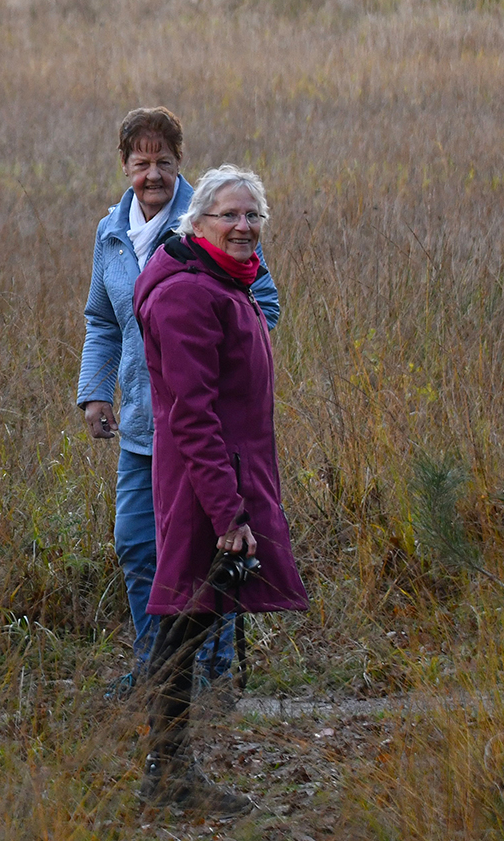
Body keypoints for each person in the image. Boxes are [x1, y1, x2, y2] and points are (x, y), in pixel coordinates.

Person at [78, 109, 280, 697]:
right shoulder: (110, 232)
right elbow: (101, 320)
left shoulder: (214, 219)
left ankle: (210, 677)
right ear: (124, 166)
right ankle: (157, 669)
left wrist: (219, 361)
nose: (153, 174)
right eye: (141, 163)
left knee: (208, 559)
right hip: (144, 426)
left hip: (203, 429)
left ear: (178, 164)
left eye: (164, 162)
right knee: (138, 546)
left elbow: (262, 304)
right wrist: (95, 392)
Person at [131, 165, 308, 815]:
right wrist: (228, 510)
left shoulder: (226, 282)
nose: (243, 226)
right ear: (197, 220)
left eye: (253, 215)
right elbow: (192, 413)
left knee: (193, 616)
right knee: (186, 618)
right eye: (229, 215)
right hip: (208, 482)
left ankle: (169, 769)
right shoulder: (187, 294)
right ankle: (167, 771)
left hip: (227, 474)